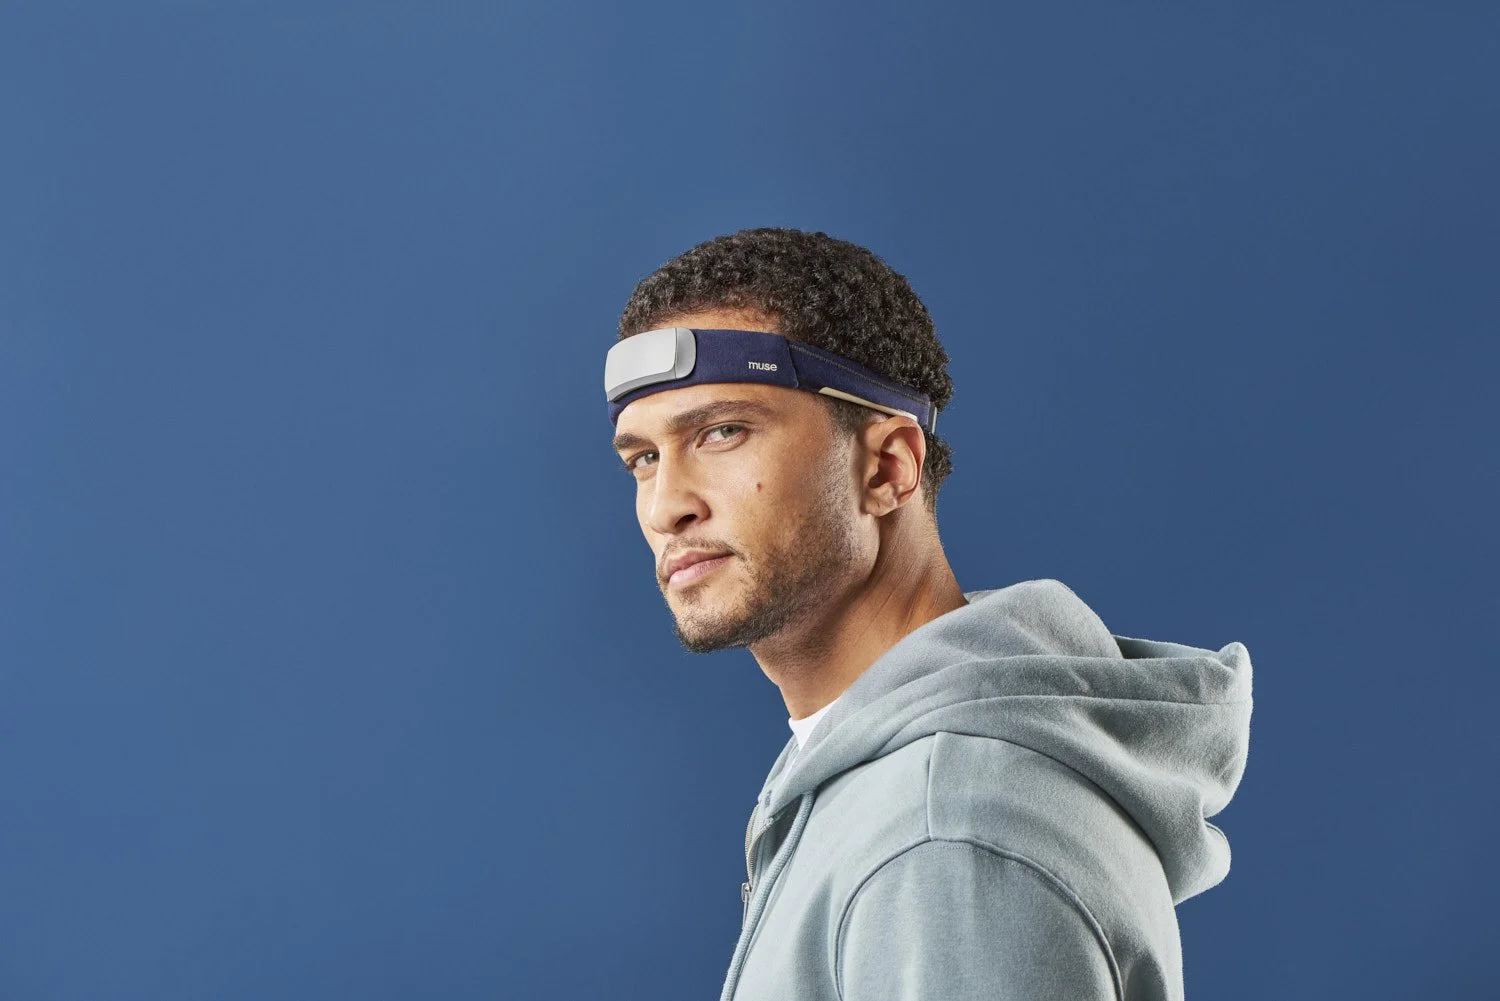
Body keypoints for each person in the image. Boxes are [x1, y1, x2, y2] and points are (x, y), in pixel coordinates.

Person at [603, 227, 1253, 1001]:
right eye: (643, 458)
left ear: (888, 467)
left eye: (722, 432)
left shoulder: (944, 834)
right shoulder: (886, 787)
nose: (666, 505)